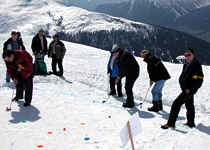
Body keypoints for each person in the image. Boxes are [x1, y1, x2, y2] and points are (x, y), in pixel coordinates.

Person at [161, 48, 204, 129]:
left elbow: (199, 80)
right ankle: (190, 122)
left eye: (189, 55)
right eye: (186, 55)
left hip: (188, 90)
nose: (187, 57)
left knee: (176, 103)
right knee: (189, 105)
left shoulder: (196, 65)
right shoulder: (187, 64)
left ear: (193, 55)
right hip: (186, 89)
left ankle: (170, 123)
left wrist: (191, 90)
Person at [112, 44, 139, 108]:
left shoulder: (123, 56)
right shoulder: (122, 54)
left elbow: (123, 69)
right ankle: (130, 101)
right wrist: (119, 76)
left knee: (128, 87)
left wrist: (118, 77)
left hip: (133, 72)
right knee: (128, 87)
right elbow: (122, 68)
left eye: (115, 53)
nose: (114, 55)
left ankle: (130, 103)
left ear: (118, 51)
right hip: (130, 72)